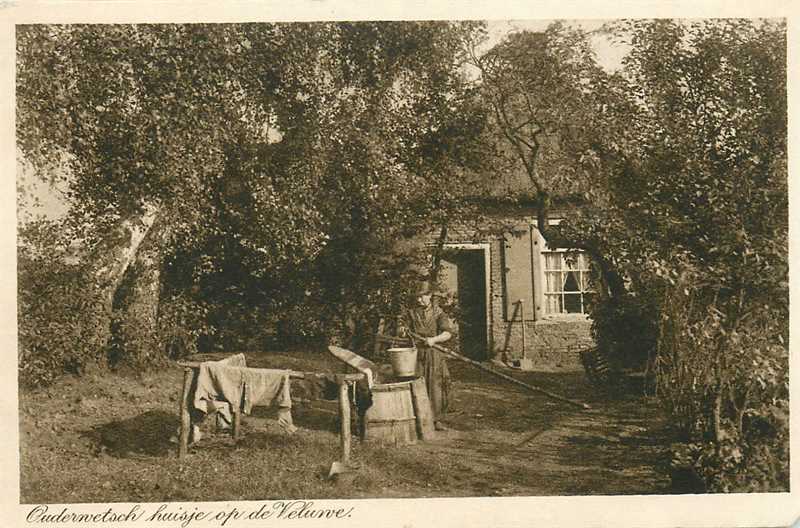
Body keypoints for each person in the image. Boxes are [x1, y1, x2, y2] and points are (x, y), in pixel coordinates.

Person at [399, 281, 454, 431]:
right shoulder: (411, 313)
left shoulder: (439, 313)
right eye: (417, 297)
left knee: (435, 385)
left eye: (422, 297)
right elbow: (402, 328)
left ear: (429, 296)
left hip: (434, 353)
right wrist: (403, 330)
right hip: (415, 352)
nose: (419, 300)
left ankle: (436, 420)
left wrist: (434, 339)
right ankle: (417, 417)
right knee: (416, 382)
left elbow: (447, 333)